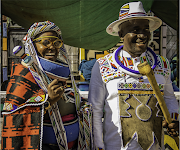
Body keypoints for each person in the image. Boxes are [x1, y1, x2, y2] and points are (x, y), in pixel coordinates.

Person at [88, 1, 179, 150]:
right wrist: (98, 145)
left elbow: (168, 97)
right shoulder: (103, 65)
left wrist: (174, 118)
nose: (142, 35)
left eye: (145, 29)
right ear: (121, 33)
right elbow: (95, 110)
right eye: (135, 30)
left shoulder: (162, 64)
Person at [2, 21, 91, 150]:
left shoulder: (62, 75)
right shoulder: (24, 75)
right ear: (32, 45)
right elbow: (14, 116)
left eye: (56, 43)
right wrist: (47, 102)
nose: (52, 47)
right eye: (45, 42)